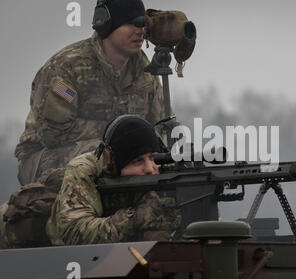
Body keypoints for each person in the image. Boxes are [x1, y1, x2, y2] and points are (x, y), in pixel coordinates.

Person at [15, 0, 165, 186]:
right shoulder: (67, 68)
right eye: (130, 23)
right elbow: (53, 134)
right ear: (106, 25)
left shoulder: (145, 72)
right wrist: (121, 133)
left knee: (159, 158)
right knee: (108, 152)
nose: (140, 30)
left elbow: (157, 128)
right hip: (43, 158)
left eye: (142, 24)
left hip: (116, 152)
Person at [46, 115, 180, 245]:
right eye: (137, 161)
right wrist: (137, 217)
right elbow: (73, 233)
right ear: (114, 163)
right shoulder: (83, 170)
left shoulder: (167, 168)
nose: (150, 168)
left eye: (153, 157)